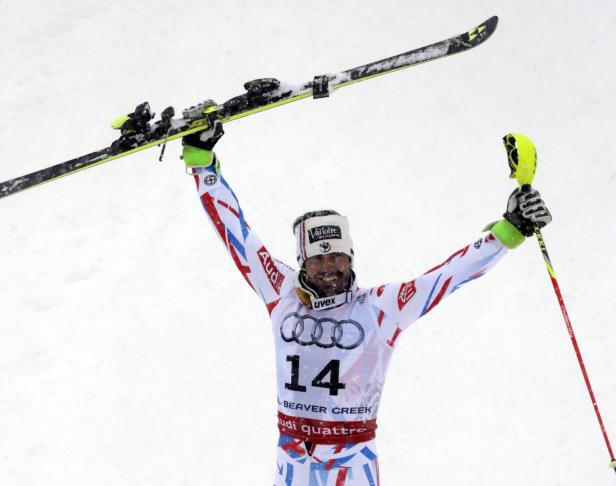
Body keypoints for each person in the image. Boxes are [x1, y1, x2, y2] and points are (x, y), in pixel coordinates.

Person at [181, 122, 552, 486]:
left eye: (338, 258)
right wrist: (202, 162)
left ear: (351, 256)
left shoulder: (379, 308)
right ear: (302, 264)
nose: (330, 269)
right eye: (319, 261)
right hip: (292, 462)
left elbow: (446, 276)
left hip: (353, 464)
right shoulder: (281, 290)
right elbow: (237, 235)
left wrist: (508, 231)